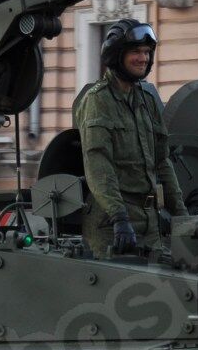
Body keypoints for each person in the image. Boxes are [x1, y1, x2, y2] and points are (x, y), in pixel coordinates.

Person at [72, 18, 184, 258]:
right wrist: (119, 217)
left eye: (146, 52)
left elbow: (163, 162)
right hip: (111, 224)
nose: (143, 58)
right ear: (117, 55)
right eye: (135, 51)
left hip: (150, 221)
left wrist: (183, 216)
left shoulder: (148, 99)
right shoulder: (98, 100)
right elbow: (98, 164)